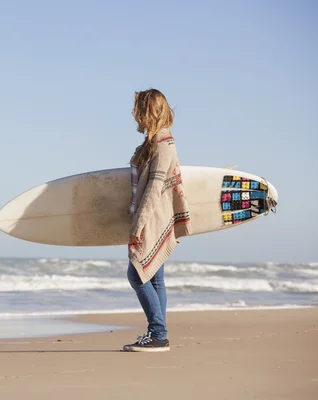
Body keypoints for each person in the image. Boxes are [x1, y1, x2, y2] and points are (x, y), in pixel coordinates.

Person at [123, 89, 192, 352]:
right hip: (154, 216)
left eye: (139, 112)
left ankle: (158, 333)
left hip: (153, 218)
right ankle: (157, 335)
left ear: (148, 112)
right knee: (154, 278)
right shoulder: (156, 143)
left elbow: (154, 187)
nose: (135, 117)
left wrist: (137, 225)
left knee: (137, 273)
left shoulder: (163, 146)